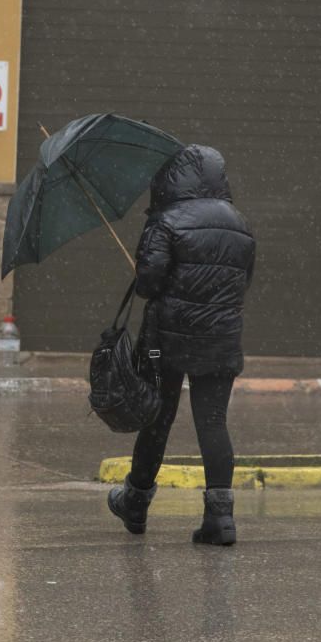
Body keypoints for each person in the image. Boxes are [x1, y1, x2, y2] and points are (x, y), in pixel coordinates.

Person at [107, 144, 255, 546]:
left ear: (171, 179)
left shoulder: (166, 220)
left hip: (164, 343)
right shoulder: (240, 223)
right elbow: (243, 282)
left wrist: (145, 269)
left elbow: (149, 284)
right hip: (221, 339)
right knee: (213, 422)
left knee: (158, 417)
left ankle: (135, 503)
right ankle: (220, 519)